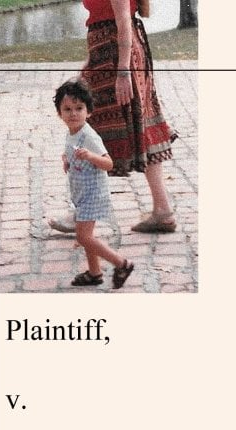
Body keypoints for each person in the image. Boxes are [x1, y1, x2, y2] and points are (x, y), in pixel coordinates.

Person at [49, 0, 178, 235]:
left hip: (117, 58)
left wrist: (122, 72)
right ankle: (163, 209)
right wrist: (91, 62)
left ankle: (82, 213)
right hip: (109, 56)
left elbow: (123, 23)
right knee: (137, 126)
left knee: (91, 132)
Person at [54, 80, 135, 289]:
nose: (73, 114)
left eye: (79, 108)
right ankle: (94, 272)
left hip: (93, 194)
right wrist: (67, 159)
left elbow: (108, 164)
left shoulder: (89, 136)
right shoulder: (72, 131)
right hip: (81, 193)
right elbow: (72, 151)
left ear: (88, 112)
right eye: (67, 109)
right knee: (87, 236)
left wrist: (90, 156)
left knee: (83, 237)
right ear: (59, 113)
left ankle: (121, 263)